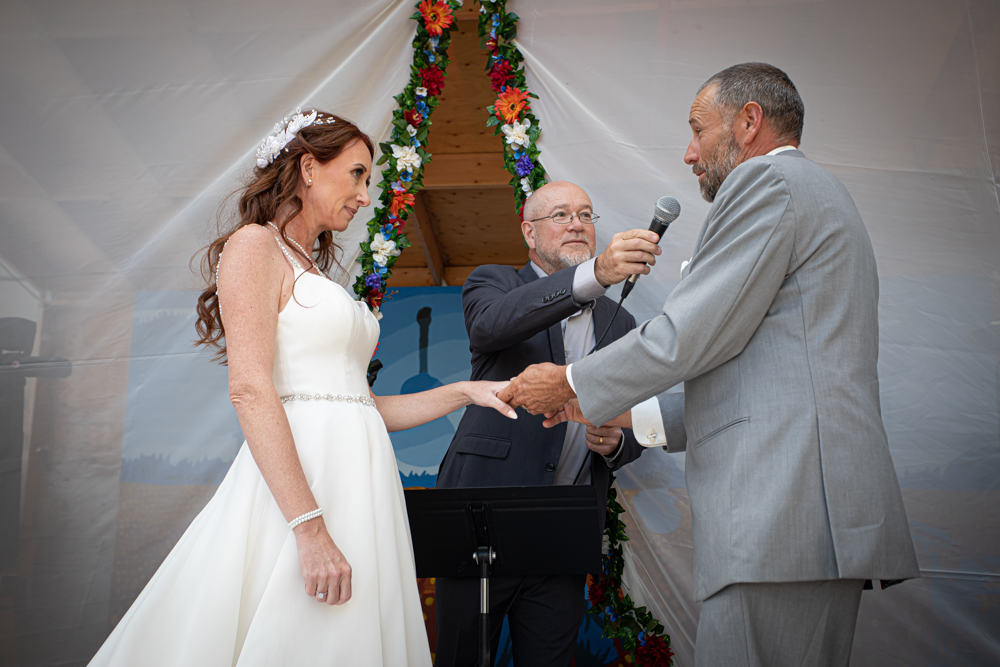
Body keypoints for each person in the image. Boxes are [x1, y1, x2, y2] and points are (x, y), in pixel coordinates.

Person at [501, 64, 920, 667]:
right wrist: (612, 411)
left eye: (699, 129)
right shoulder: (811, 191)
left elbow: (691, 334)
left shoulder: (767, 182)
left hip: (781, 504)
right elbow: (759, 374)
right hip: (806, 508)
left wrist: (571, 382)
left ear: (749, 122)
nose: (690, 152)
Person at [88, 110, 516, 666]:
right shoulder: (254, 246)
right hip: (302, 489)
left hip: (361, 484)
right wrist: (309, 529)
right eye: (357, 174)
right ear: (309, 168)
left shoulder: (312, 268)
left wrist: (465, 392)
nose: (365, 196)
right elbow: (248, 388)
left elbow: (362, 407)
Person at [433, 181, 683, 666]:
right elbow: (491, 325)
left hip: (563, 531)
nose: (576, 224)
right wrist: (595, 274)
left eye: (586, 215)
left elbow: (638, 420)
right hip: (484, 522)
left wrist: (615, 442)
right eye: (561, 215)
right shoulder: (494, 284)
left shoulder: (620, 323)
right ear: (529, 232)